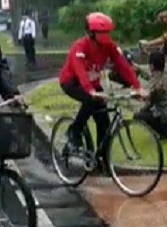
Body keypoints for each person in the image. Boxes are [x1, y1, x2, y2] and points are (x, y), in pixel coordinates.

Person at [59, 13, 144, 153]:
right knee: (90, 101)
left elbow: (122, 65)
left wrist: (137, 86)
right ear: (90, 34)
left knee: (104, 120)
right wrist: (90, 90)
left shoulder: (108, 46)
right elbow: (79, 69)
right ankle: (74, 132)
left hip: (92, 84)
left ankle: (101, 158)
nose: (101, 44)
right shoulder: (80, 47)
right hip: (72, 82)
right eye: (99, 37)